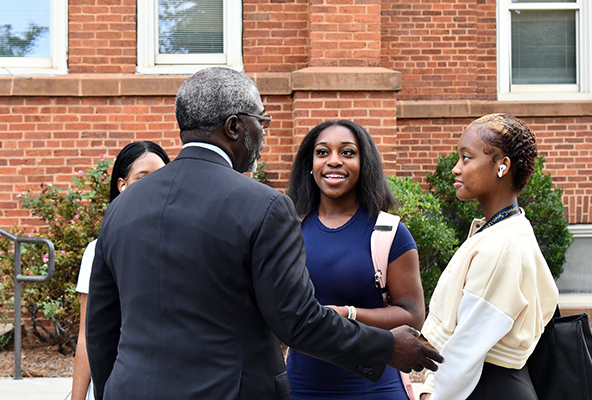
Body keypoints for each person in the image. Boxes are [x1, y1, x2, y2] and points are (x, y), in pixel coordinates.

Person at [85, 67, 442, 400]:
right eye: (262, 121)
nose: (264, 134)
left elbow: (101, 330)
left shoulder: (121, 208)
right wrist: (385, 347)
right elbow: (297, 321)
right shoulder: (264, 206)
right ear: (235, 127)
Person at [419, 113, 559, 400]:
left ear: (502, 166)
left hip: (486, 389)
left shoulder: (501, 245)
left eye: (466, 158)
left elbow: (466, 350)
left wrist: (433, 395)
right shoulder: (509, 229)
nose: (456, 169)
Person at [285, 120, 425, 399]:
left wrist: (348, 314)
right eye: (322, 153)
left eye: (347, 153)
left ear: (364, 163)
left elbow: (413, 315)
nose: (334, 161)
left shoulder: (389, 232)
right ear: (309, 164)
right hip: (302, 388)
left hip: (375, 390)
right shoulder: (289, 229)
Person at [71, 141, 171, 400]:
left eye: (161, 176)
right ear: (122, 184)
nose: (153, 185)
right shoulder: (98, 250)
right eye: (142, 177)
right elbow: (87, 336)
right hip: (117, 385)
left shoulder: (186, 246)